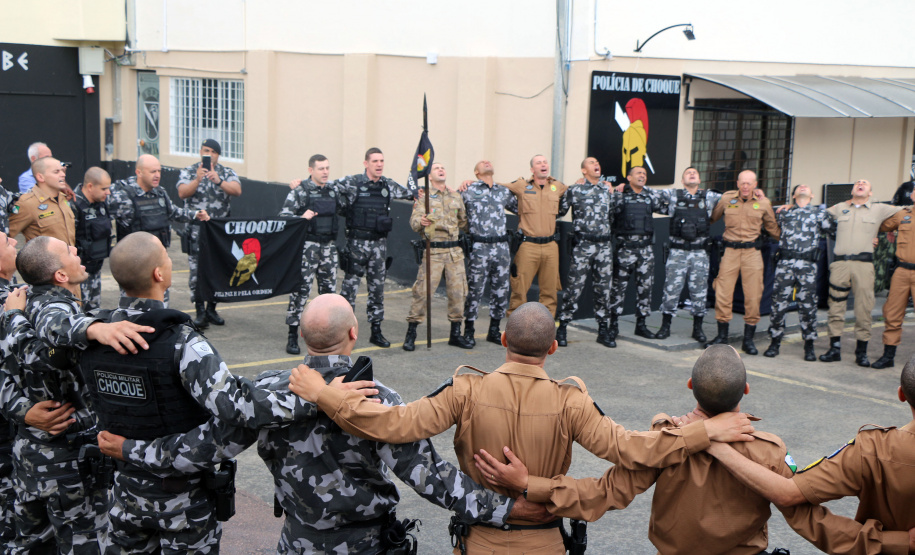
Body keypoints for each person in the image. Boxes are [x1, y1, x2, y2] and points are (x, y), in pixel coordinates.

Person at [289, 302, 758, 555]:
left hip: (479, 539)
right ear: (554, 348)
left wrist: (327, 394)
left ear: (503, 340)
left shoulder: (464, 390)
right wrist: (704, 432)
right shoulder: (569, 400)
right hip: (546, 540)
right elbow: (630, 450)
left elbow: (395, 423)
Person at [474, 344, 872, 555]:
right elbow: (809, 518)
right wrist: (886, 543)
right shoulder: (768, 450)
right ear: (746, 391)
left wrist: (533, 485)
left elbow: (604, 493)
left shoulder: (664, 443)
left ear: (689, 386)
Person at [75, 231, 323, 553]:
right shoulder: (181, 342)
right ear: (160, 274)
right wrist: (316, 396)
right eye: (165, 253)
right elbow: (235, 407)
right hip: (182, 504)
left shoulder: (92, 337)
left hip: (123, 496)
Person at [3, 236, 155, 553]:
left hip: (30, 456)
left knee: (30, 545)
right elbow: (55, 324)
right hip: (70, 462)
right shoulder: (54, 307)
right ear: (60, 275)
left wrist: (21, 410)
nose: (77, 252)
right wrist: (94, 329)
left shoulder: (17, 304)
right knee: (85, 544)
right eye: (69, 251)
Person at [706, 354, 915, 554]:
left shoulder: (873, 449)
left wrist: (712, 442)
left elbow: (789, 494)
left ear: (901, 394)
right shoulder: (873, 448)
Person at [0, 230, 78, 548]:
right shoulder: (12, 304)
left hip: (30, 445)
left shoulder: (25, 296)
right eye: (6, 242)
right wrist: (23, 410)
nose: (15, 243)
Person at [336, 148, 416, 348]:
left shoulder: (387, 185)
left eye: (381, 161)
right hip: (356, 244)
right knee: (349, 289)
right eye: (375, 161)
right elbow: (328, 187)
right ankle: (344, 331)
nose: (379, 164)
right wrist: (300, 184)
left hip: (379, 246)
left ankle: (376, 331)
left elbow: (412, 194)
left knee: (377, 289)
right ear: (366, 164)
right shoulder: (353, 182)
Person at [819, 179, 903, 366]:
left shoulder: (879, 209)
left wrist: (888, 229)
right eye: (858, 182)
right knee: (835, 307)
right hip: (840, 264)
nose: (861, 184)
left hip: (863, 265)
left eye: (865, 183)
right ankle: (834, 349)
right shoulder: (840, 207)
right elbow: (817, 214)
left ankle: (861, 352)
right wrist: (790, 205)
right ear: (852, 190)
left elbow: (905, 210)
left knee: (864, 308)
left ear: (870, 192)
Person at [110, 154, 210, 306]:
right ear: (139, 172)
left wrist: (195, 214)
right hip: (135, 265)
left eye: (159, 171)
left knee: (161, 307)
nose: (157, 175)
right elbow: (101, 211)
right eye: (152, 172)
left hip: (158, 262)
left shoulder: (160, 193)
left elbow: (173, 212)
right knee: (135, 310)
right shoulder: (123, 196)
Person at [706, 170, 780, 354]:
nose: (745, 186)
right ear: (737, 183)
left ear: (755, 185)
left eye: (749, 183)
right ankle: (722, 336)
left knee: (753, 295)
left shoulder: (763, 203)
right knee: (723, 292)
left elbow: (773, 228)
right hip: (730, 251)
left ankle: (748, 340)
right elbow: (711, 217)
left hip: (752, 253)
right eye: (742, 183)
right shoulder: (726, 199)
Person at [404, 163, 471, 351]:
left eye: (443, 167)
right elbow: (414, 221)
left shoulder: (456, 196)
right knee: (423, 292)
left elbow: (463, 222)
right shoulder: (423, 197)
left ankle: (455, 333)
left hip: (454, 252)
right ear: (430, 176)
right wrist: (421, 222)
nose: (441, 169)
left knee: (458, 293)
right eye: (436, 168)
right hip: (433, 251)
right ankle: (412, 332)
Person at [177, 139, 242, 328]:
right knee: (197, 271)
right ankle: (199, 311)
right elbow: (182, 193)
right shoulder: (190, 171)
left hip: (218, 233)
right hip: (197, 230)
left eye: (213, 151)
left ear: (218, 155)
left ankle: (211, 309)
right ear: (200, 152)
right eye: (206, 150)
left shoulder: (226, 172)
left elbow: (237, 190)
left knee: (218, 270)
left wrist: (219, 181)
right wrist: (198, 179)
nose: (210, 154)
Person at [280, 154, 341, 355]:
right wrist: (301, 217)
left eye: (327, 168)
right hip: (307, 248)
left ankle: (328, 336)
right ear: (310, 170)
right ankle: (292, 335)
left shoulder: (334, 190)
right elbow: (284, 217)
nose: (325, 172)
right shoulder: (300, 191)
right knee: (300, 293)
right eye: (321, 168)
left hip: (329, 248)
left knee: (329, 295)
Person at [763, 184, 831, 361]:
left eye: (806, 187)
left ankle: (809, 345)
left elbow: (836, 229)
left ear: (812, 195)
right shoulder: (783, 212)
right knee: (778, 304)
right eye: (799, 187)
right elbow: (765, 219)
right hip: (785, 265)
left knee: (808, 306)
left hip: (807, 266)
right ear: (793, 195)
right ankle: (775, 341)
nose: (803, 187)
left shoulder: (819, 214)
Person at [655, 167, 722, 344]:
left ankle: (697, 329)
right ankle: (665, 326)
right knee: (671, 290)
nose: (692, 174)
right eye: (688, 173)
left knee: (699, 292)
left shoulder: (710, 197)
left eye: (695, 173)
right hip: (678, 252)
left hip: (699, 252)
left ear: (699, 180)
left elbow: (733, 198)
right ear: (683, 179)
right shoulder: (672, 195)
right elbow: (649, 194)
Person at [556, 157, 617, 348]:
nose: (596, 164)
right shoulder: (575, 190)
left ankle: (603, 330)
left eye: (598, 162)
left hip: (604, 247)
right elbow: (559, 210)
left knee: (604, 290)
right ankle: (563, 327)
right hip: (583, 245)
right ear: (584, 170)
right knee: (574, 288)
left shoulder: (607, 190)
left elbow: (613, 215)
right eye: (591, 163)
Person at [608, 165, 667, 342]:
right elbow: (610, 217)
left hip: (646, 250)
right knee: (618, 289)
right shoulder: (619, 196)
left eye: (645, 173)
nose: (642, 175)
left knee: (645, 288)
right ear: (629, 177)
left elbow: (667, 203)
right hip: (625, 249)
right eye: (638, 173)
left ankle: (641, 325)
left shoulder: (650, 196)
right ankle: (613, 325)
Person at [459, 160, 515, 346]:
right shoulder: (467, 190)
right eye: (481, 163)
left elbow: (523, 205)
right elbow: (453, 208)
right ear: (476, 172)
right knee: (475, 290)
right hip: (480, 247)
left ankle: (494, 330)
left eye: (488, 161)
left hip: (501, 247)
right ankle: (469, 330)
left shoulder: (503, 191)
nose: (486, 161)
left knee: (501, 290)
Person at [504, 155, 568, 317]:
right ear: (532, 169)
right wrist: (472, 183)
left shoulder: (557, 186)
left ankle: (545, 323)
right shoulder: (521, 185)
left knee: (550, 289)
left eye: (545, 162)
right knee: (520, 287)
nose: (543, 164)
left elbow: (576, 191)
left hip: (550, 246)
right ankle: (516, 321)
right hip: (528, 245)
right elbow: (495, 187)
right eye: (539, 163)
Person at [871, 186, 915, 368]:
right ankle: (888, 356)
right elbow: (878, 223)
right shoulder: (903, 214)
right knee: (892, 313)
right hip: (902, 270)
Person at [72, 167, 114, 312]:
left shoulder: (101, 204)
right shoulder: (73, 205)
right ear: (90, 186)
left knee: (94, 313)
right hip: (77, 274)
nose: (108, 192)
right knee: (78, 314)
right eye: (104, 189)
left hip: (95, 270)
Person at [9, 156, 76, 245]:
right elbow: (6, 236)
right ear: (40, 177)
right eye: (56, 172)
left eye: (62, 171)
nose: (63, 174)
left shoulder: (63, 198)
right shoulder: (27, 203)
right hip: (44, 258)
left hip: (69, 257)